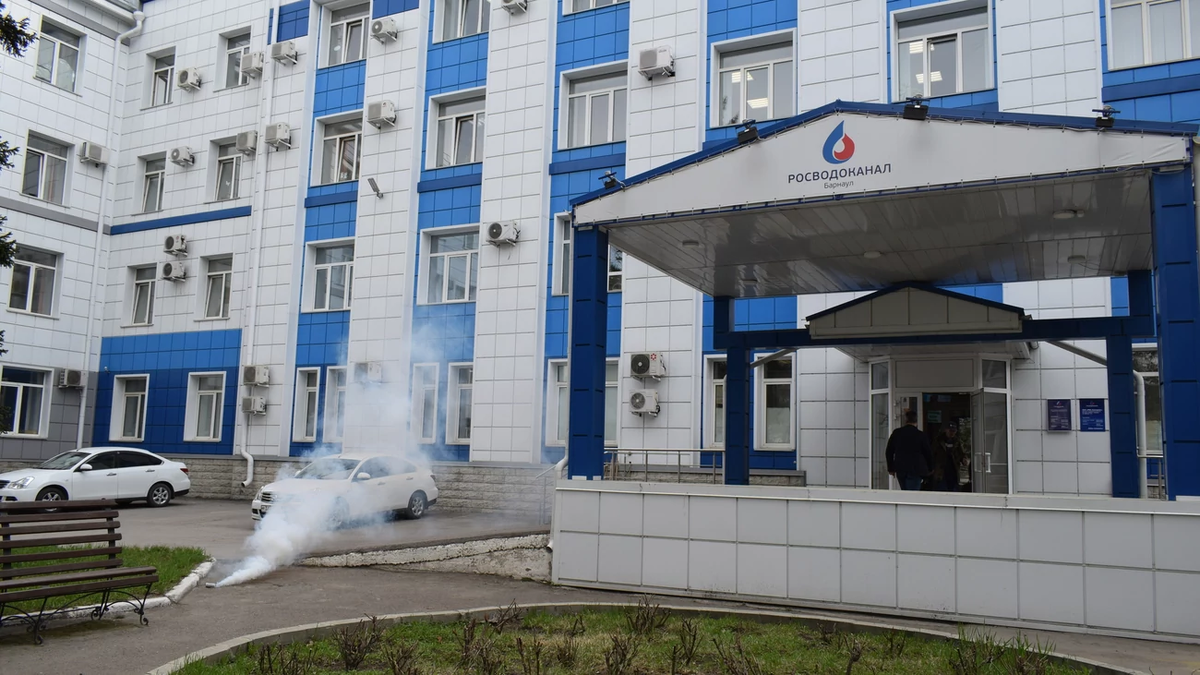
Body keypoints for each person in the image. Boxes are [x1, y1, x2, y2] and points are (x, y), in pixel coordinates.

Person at [885, 409, 933, 491]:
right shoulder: (920, 435)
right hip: (916, 468)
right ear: (916, 421)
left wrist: (891, 468)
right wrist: (931, 468)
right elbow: (928, 453)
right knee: (912, 495)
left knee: (905, 492)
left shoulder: (897, 433)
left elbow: (889, 451)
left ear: (905, 420)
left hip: (900, 468)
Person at [930, 423, 966, 491]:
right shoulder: (938, 441)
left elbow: (961, 453)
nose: (952, 433)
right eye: (950, 431)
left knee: (953, 489)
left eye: (954, 431)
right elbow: (932, 454)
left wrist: (963, 459)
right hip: (941, 470)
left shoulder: (957, 442)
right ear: (946, 430)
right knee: (941, 488)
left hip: (953, 469)